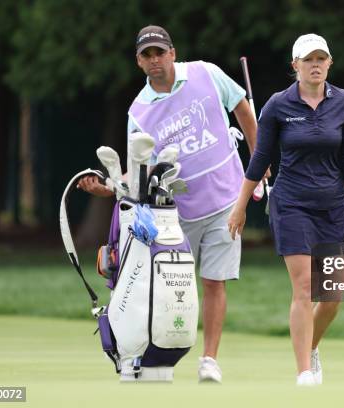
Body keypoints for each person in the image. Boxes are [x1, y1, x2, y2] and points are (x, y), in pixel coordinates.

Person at [79, 25, 259, 383]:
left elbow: (242, 108)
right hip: (178, 212)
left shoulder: (206, 73)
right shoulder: (139, 112)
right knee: (170, 285)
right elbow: (138, 170)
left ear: (173, 53)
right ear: (139, 62)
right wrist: (110, 188)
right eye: (147, 55)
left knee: (214, 281)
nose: (155, 60)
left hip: (227, 200)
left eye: (160, 52)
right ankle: (157, 356)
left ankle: (209, 359)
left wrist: (259, 160)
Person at [228, 33, 344, 386]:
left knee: (333, 294)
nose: (316, 65)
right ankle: (304, 370)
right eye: (309, 60)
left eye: (322, 59)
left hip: (333, 207)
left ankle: (311, 346)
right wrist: (240, 206)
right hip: (291, 204)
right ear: (296, 66)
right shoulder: (278, 105)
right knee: (305, 286)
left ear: (330, 63)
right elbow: (260, 158)